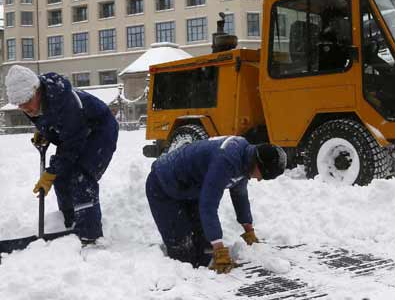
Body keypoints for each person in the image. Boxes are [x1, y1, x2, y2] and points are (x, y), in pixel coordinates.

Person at [4, 65, 119, 244]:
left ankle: (90, 235)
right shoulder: (32, 104)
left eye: (26, 101)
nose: (24, 108)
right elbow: (51, 122)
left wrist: (51, 171)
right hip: (76, 134)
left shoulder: (62, 100)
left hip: (100, 131)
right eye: (20, 105)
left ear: (37, 90)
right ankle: (71, 223)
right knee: (61, 176)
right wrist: (45, 132)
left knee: (81, 177)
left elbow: (72, 142)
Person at [145, 136, 287, 272]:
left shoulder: (245, 160)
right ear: (257, 164)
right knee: (183, 251)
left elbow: (240, 196)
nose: (259, 180)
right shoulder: (226, 160)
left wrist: (248, 229)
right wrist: (219, 249)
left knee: (205, 245)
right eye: (262, 175)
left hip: (190, 189)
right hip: (163, 185)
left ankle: (204, 264)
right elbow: (208, 205)